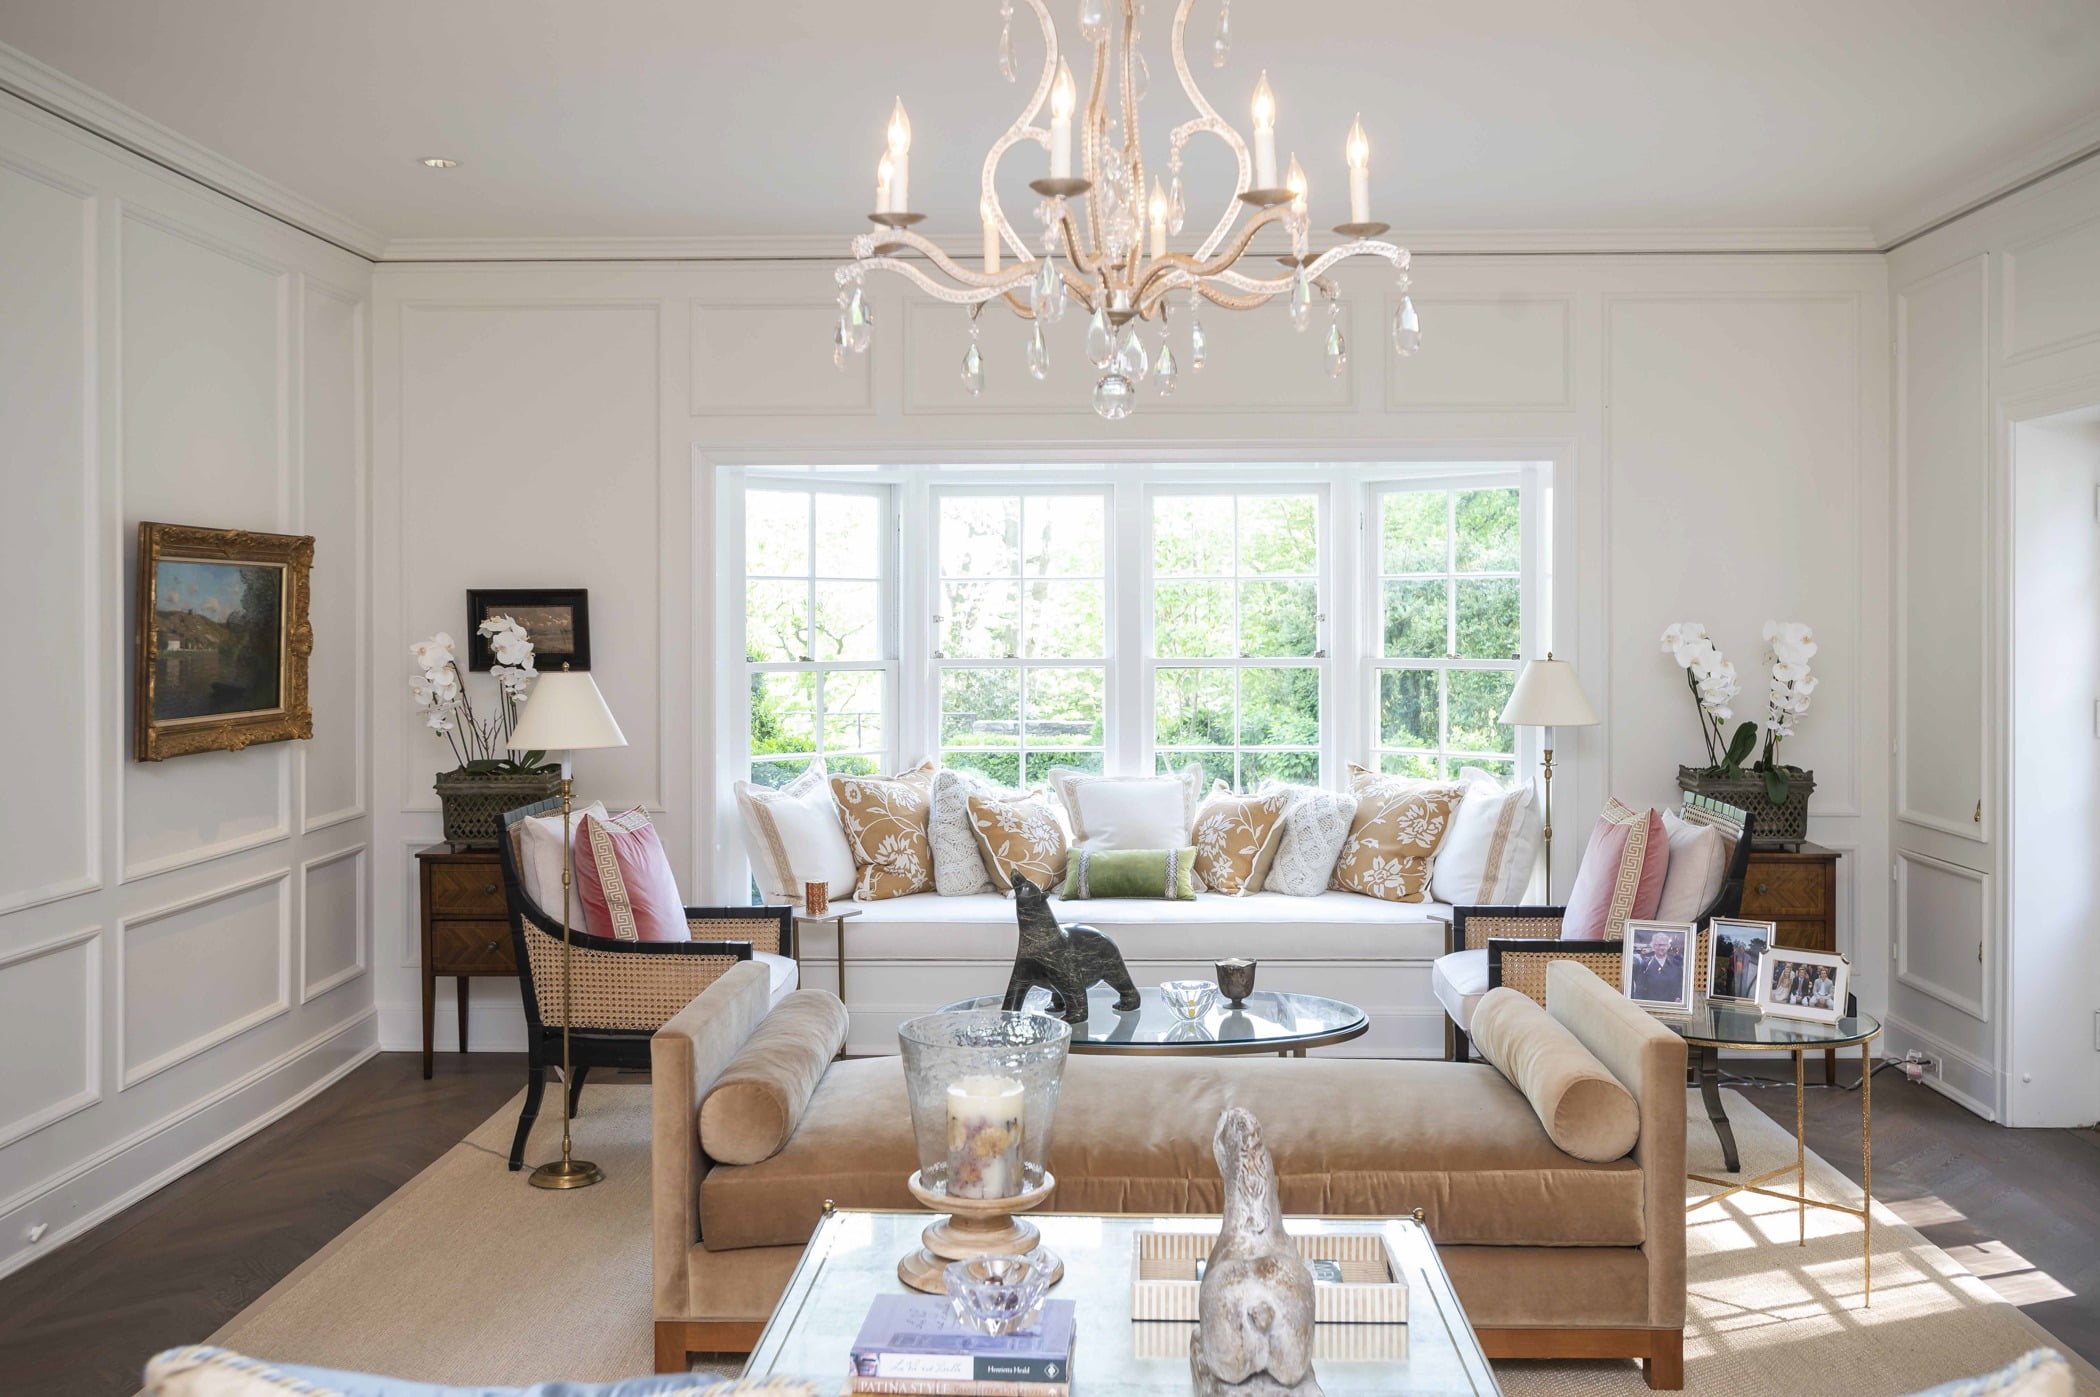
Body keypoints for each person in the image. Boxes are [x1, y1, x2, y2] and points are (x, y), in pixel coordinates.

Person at [1631, 933, 1680, 1003]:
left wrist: (1678, 997)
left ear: (1668, 946)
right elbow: (1639, 988)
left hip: (1671, 1005)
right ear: (1653, 947)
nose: (1662, 948)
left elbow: (1680, 984)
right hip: (1651, 1004)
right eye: (1659, 945)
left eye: (1665, 945)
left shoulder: (1676, 964)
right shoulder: (1645, 964)